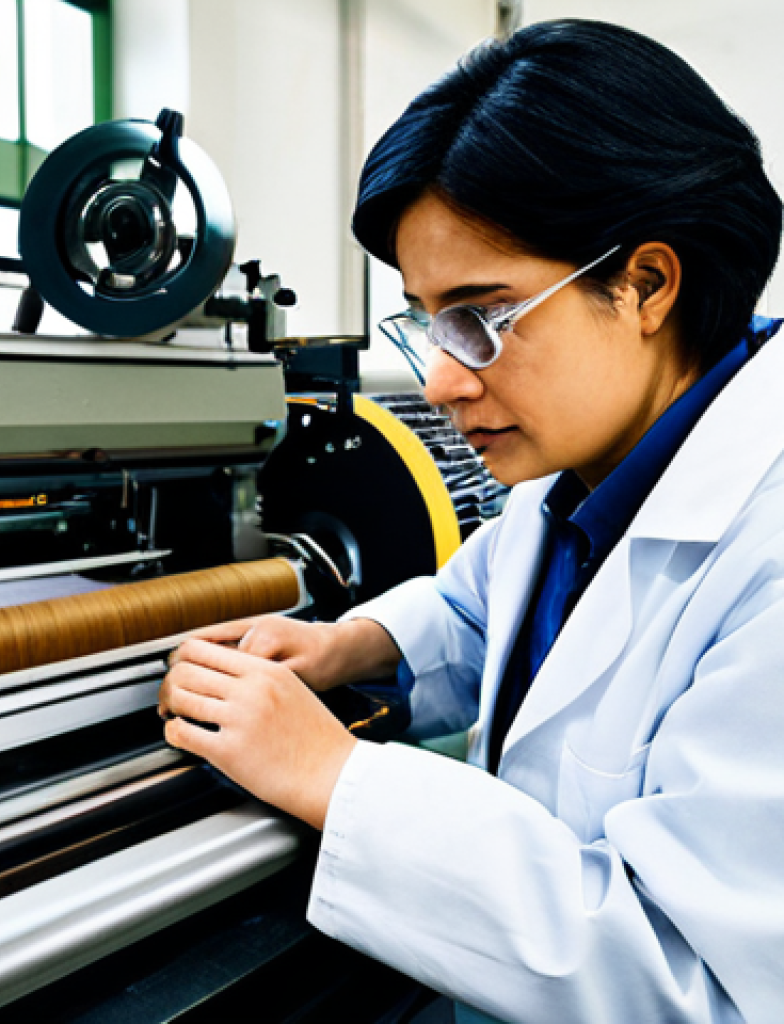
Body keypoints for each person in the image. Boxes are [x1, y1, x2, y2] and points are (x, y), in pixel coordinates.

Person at [158, 19, 784, 1024]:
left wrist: (334, 774)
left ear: (647, 284)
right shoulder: (580, 471)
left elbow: (691, 980)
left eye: (481, 318)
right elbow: (487, 599)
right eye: (425, 319)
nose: (444, 381)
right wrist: (348, 644)